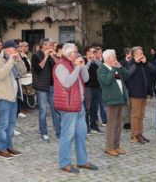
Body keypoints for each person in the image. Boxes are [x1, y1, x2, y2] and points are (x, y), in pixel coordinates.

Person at [54, 43, 98, 174]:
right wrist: (77, 68)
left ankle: (82, 161)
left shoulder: (74, 64)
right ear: (68, 54)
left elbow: (86, 78)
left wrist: (82, 66)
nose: (78, 54)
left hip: (79, 104)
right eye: (75, 52)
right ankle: (64, 163)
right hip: (68, 106)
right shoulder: (60, 66)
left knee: (81, 133)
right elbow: (67, 83)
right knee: (67, 135)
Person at [0, 39, 27, 159]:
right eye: (15, 48)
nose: (17, 50)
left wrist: (20, 60)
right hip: (3, 96)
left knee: (11, 124)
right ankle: (1, 149)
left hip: (14, 96)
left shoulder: (14, 59)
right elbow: (0, 75)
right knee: (3, 124)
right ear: (7, 49)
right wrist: (11, 61)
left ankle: (9, 146)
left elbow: (23, 72)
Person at [98, 49, 129, 157]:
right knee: (111, 125)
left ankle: (116, 145)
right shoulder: (101, 69)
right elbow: (106, 81)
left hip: (120, 99)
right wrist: (113, 69)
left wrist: (120, 67)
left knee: (119, 124)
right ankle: (109, 147)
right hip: (111, 100)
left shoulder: (115, 67)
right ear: (108, 58)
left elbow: (127, 76)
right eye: (114, 56)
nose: (115, 58)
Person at [31, 38, 61, 142]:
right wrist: (46, 56)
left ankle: (59, 133)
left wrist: (52, 56)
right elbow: (38, 69)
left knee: (55, 110)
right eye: (50, 45)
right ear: (44, 46)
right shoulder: (35, 56)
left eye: (52, 45)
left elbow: (60, 66)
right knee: (43, 111)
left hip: (52, 87)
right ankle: (44, 134)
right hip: (41, 87)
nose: (52, 47)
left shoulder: (53, 55)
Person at [125, 46, 155, 144]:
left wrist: (146, 62)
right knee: (135, 115)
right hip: (135, 93)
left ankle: (139, 134)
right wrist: (136, 63)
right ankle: (134, 136)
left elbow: (154, 70)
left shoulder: (143, 64)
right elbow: (128, 74)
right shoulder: (131, 63)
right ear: (134, 55)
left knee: (141, 115)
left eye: (142, 53)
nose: (142, 55)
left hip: (144, 92)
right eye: (140, 53)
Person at [84, 46, 103, 134]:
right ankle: (86, 128)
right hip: (88, 88)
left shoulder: (96, 62)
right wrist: (89, 62)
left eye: (95, 52)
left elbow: (103, 67)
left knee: (95, 108)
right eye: (93, 52)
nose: (94, 54)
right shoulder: (83, 60)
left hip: (97, 87)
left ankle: (94, 126)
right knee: (87, 109)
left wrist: (95, 60)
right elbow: (83, 71)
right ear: (87, 53)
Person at [121, 47, 132, 130]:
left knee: (132, 105)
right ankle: (126, 122)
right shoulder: (122, 62)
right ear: (127, 54)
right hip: (125, 86)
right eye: (131, 53)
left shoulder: (134, 62)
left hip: (133, 86)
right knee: (126, 104)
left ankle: (131, 121)